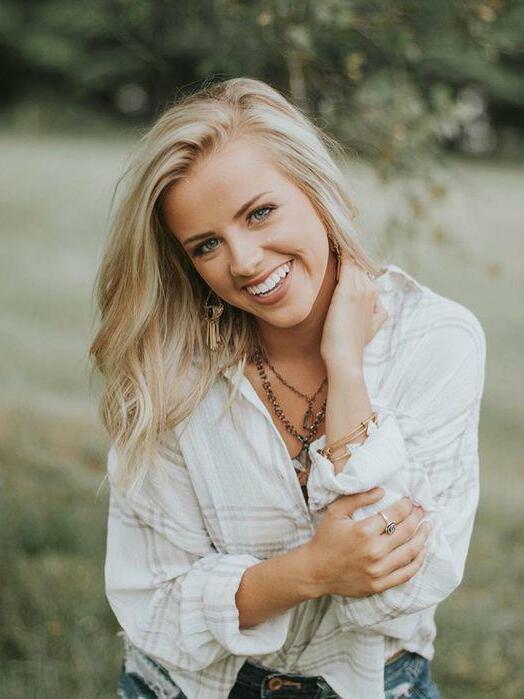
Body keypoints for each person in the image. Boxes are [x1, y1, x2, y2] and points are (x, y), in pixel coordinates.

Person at [89, 77, 486, 699]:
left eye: (260, 213)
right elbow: (157, 608)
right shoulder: (172, 369)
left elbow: (400, 591)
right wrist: (314, 570)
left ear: (316, 189)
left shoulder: (435, 340)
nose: (245, 261)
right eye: (207, 245)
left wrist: (346, 370)